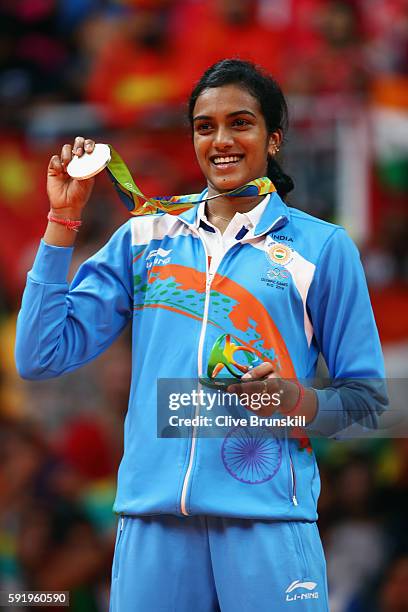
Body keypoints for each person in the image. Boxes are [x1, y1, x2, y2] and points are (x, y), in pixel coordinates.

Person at [15, 59, 387, 611]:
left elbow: (371, 402)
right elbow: (40, 355)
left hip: (267, 521)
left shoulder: (322, 249)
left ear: (274, 138)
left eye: (241, 123)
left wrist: (297, 401)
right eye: (205, 126)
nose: (221, 141)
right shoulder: (145, 235)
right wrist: (61, 221)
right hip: (151, 521)